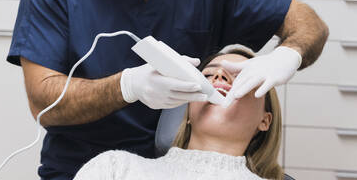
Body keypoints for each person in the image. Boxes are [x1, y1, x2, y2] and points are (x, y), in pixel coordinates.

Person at [7, 0, 328, 179]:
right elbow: (43, 102)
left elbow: (307, 25)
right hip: (81, 162)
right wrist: (127, 86)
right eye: (210, 70)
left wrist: (288, 54)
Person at [73, 48, 284, 180]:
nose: (219, 75)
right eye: (209, 74)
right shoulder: (115, 169)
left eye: (240, 77)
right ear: (189, 113)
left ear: (265, 121)